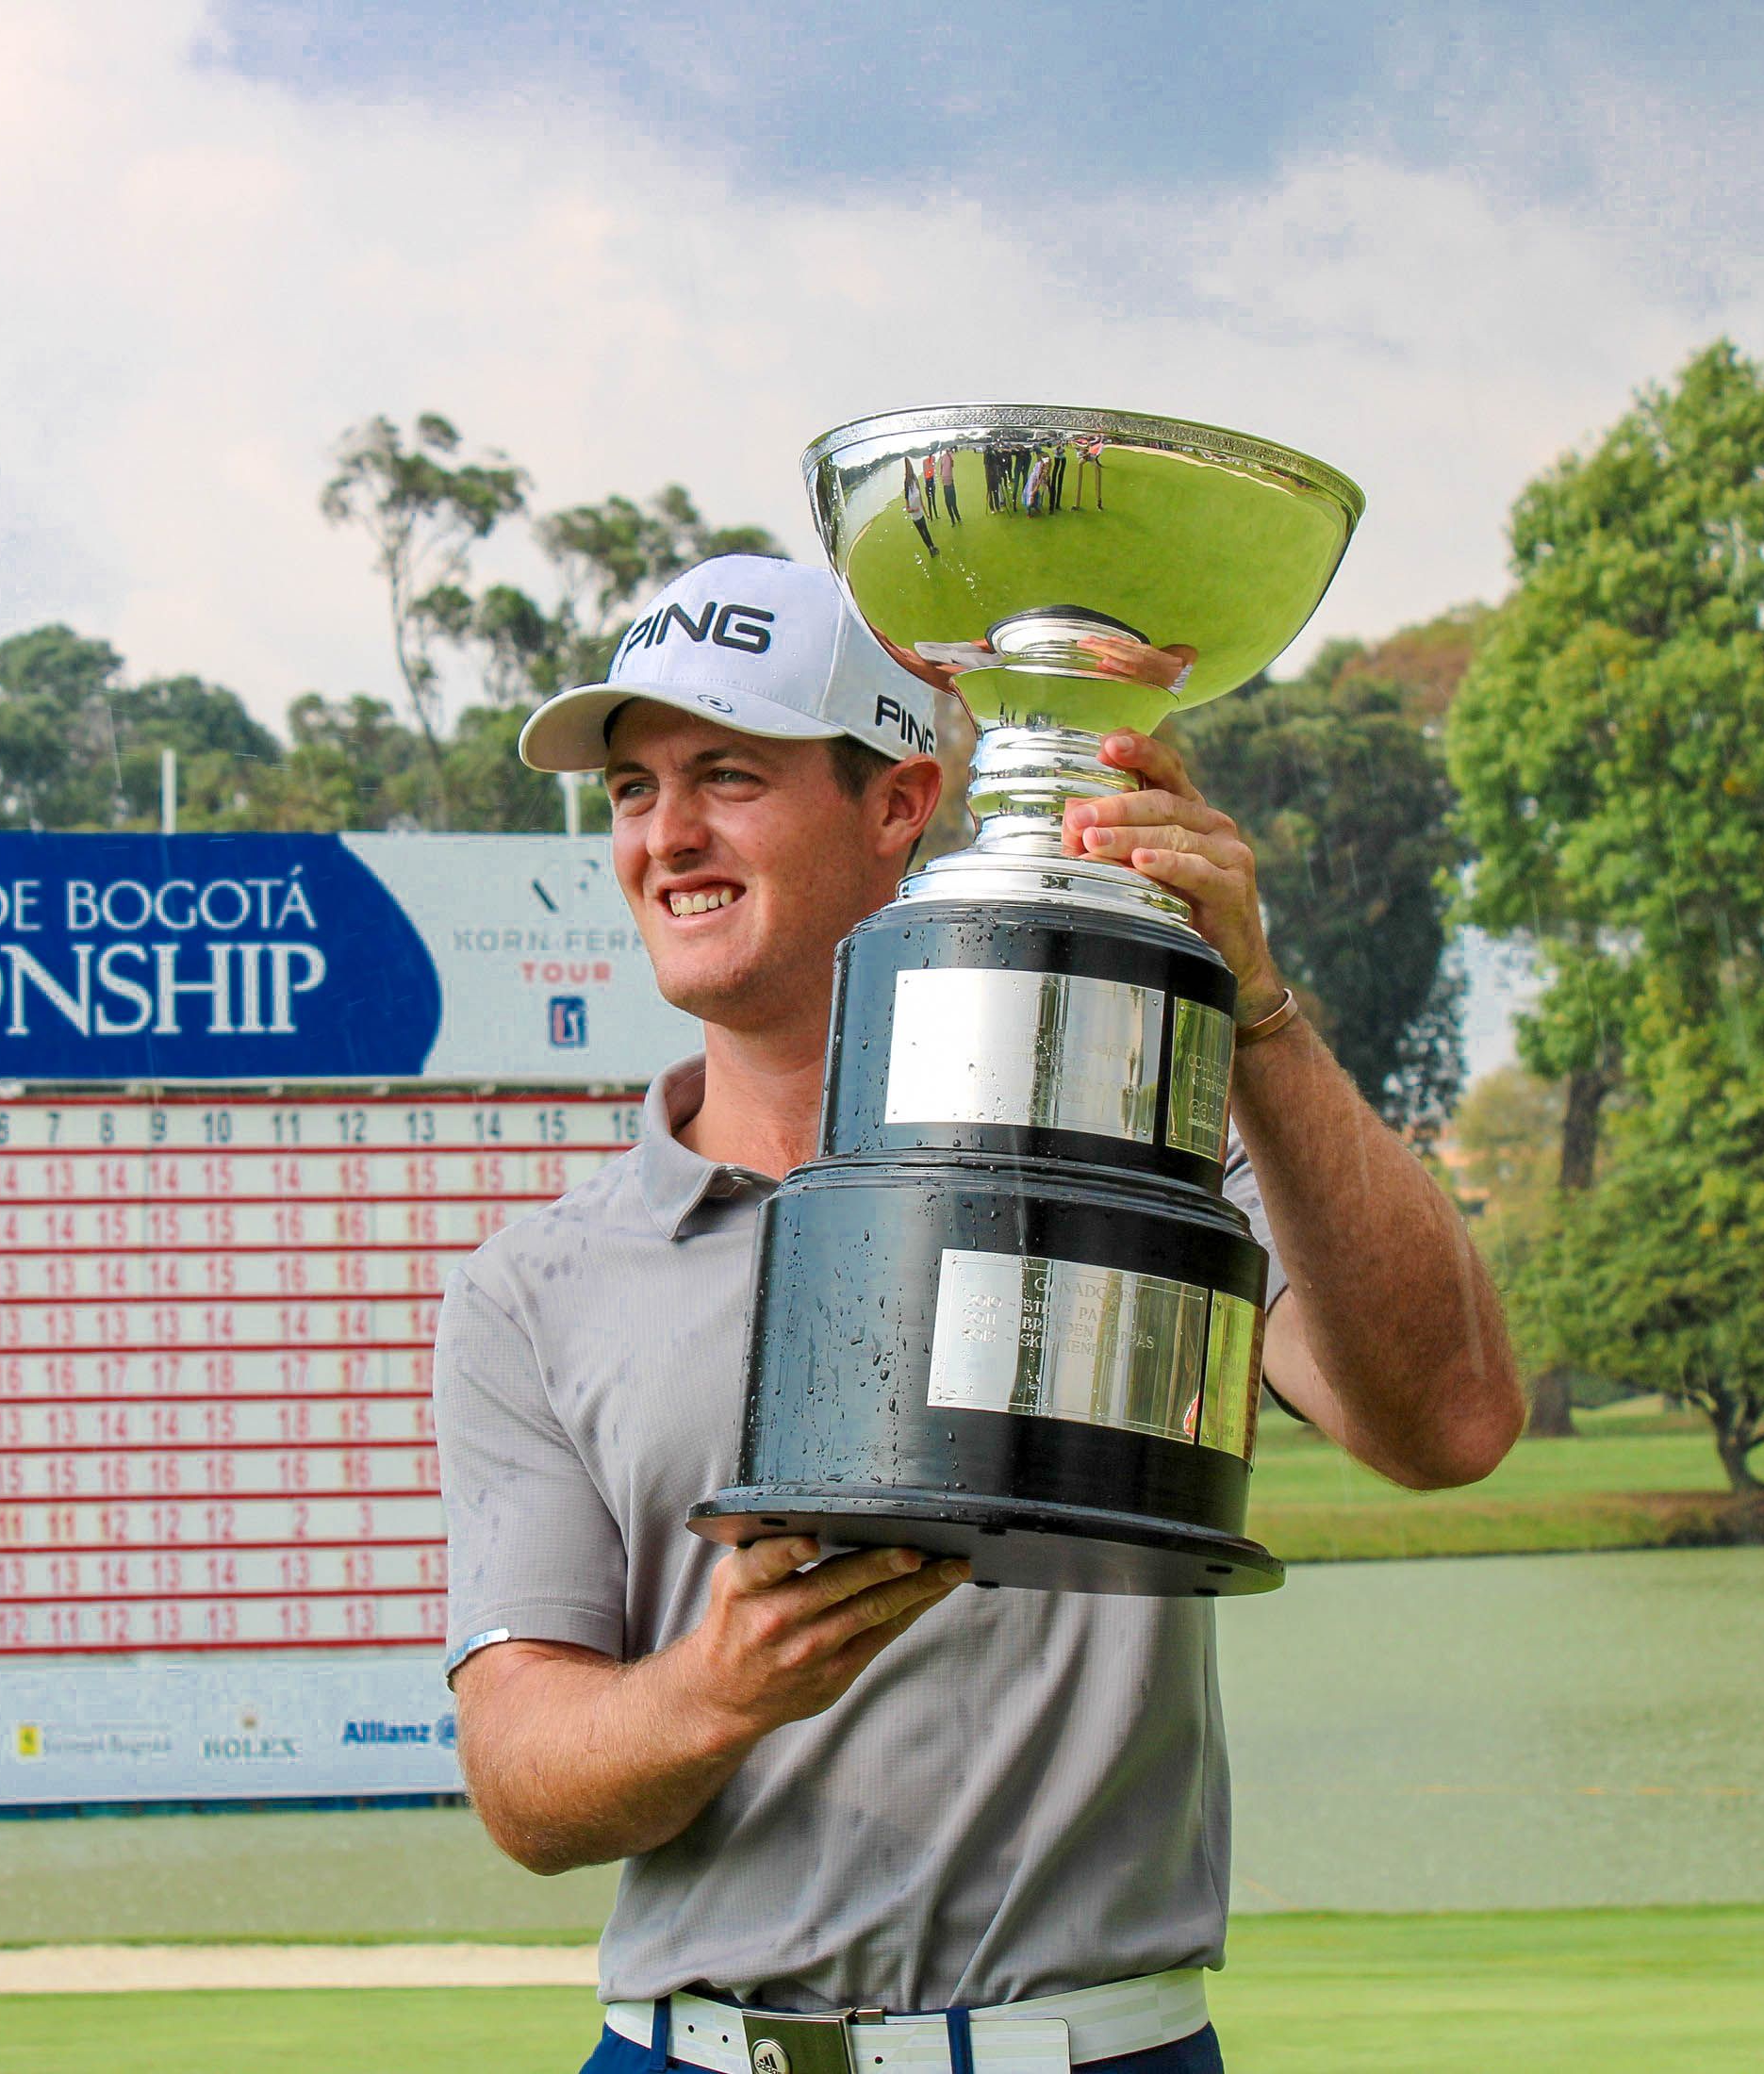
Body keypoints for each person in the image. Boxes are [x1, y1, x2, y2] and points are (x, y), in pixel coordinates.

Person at [435, 554, 1523, 2073]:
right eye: (632, 791)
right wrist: (718, 1689)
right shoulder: (532, 1287)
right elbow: (523, 1784)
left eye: (728, 775)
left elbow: (1450, 1425)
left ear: (898, 808)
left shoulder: (1154, 1145)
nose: (666, 835)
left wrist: (1252, 1001)